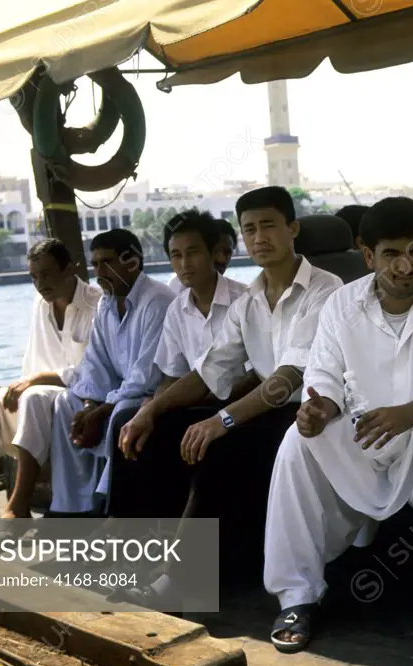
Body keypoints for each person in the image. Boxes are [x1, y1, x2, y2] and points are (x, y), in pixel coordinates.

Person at [263, 197, 413, 665]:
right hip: (368, 438)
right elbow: (323, 373)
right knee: (296, 442)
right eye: (391, 254)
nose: (407, 266)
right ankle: (297, 595)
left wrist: (412, 411)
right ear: (368, 256)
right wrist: (319, 407)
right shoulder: (341, 304)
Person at [113, 187, 342, 604]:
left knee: (222, 442)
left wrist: (223, 420)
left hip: (315, 417)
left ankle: (180, 584)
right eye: (250, 229)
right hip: (266, 415)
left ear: (293, 228)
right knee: (154, 431)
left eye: (269, 225)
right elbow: (209, 373)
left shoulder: (327, 290)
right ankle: (141, 560)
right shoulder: (249, 302)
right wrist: (151, 408)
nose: (259, 237)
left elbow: (288, 377)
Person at [0, 239, 101, 538]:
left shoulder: (97, 303)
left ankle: (19, 507)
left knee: (34, 399)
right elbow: (33, 359)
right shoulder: (40, 306)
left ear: (69, 269)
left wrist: (35, 381)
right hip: (41, 390)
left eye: (46, 274)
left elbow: (92, 371)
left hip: (81, 394)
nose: (40, 284)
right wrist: (24, 384)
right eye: (34, 277)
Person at [47, 229, 176, 515]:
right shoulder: (106, 302)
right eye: (94, 265)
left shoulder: (157, 300)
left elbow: (147, 378)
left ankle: (111, 504)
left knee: (122, 413)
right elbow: (96, 362)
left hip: (151, 395)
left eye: (107, 262)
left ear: (132, 262)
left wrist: (101, 410)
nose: (98, 272)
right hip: (117, 393)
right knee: (66, 404)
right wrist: (90, 404)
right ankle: (71, 507)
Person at [152, 210, 248, 397]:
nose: (184, 263)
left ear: (213, 253)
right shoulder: (176, 310)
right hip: (194, 405)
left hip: (241, 407)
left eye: (192, 253)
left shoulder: (245, 300)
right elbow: (172, 376)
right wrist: (152, 408)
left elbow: (255, 375)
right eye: (176, 255)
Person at [167, 217, 237, 294]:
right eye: (216, 251)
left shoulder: (243, 297)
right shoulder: (175, 294)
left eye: (227, 252)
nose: (222, 259)